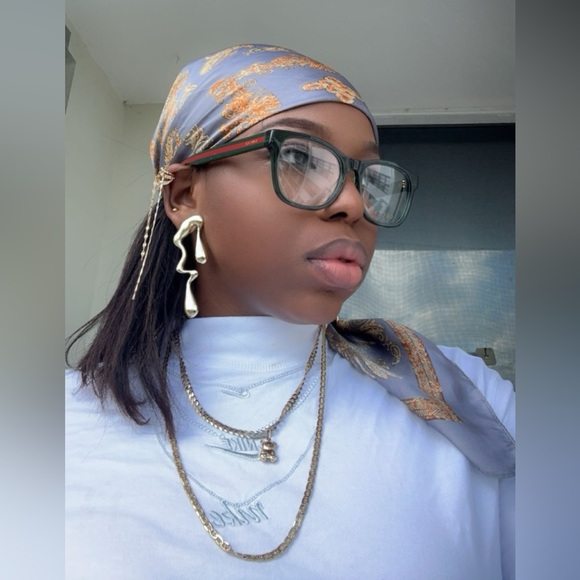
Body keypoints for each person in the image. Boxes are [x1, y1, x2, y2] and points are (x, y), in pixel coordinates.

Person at [65, 44, 515, 579]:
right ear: (184, 193)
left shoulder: (464, 397)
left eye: (368, 178)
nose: (353, 203)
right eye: (301, 159)